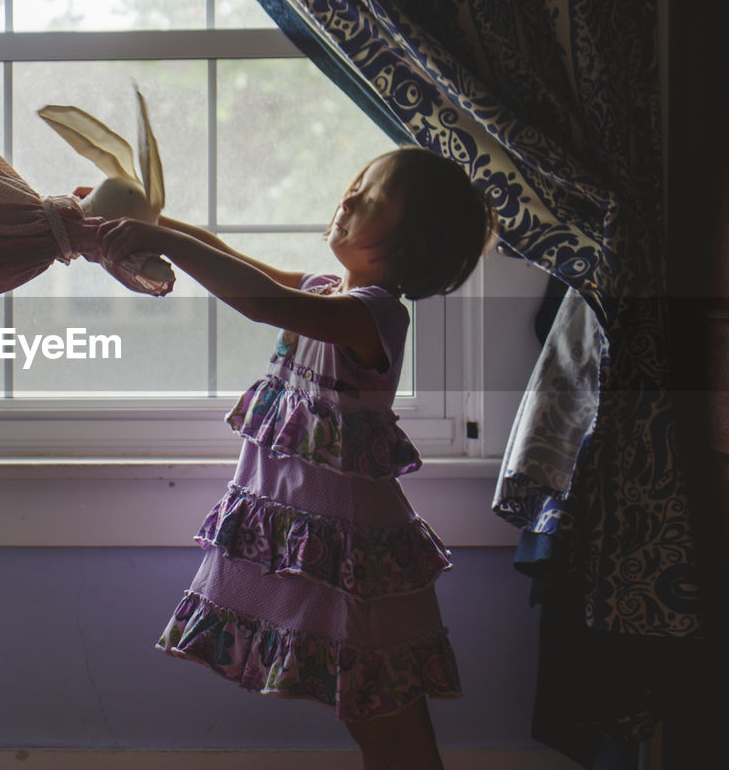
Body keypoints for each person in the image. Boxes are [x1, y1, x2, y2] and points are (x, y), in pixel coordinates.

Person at [98, 147, 494, 770]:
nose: (349, 198)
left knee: (390, 725)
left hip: (352, 559)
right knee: (374, 720)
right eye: (355, 184)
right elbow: (236, 263)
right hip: (321, 551)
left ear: (415, 243)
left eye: (374, 197)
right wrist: (142, 223)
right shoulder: (323, 291)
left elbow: (258, 299)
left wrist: (157, 237)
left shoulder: (373, 315)